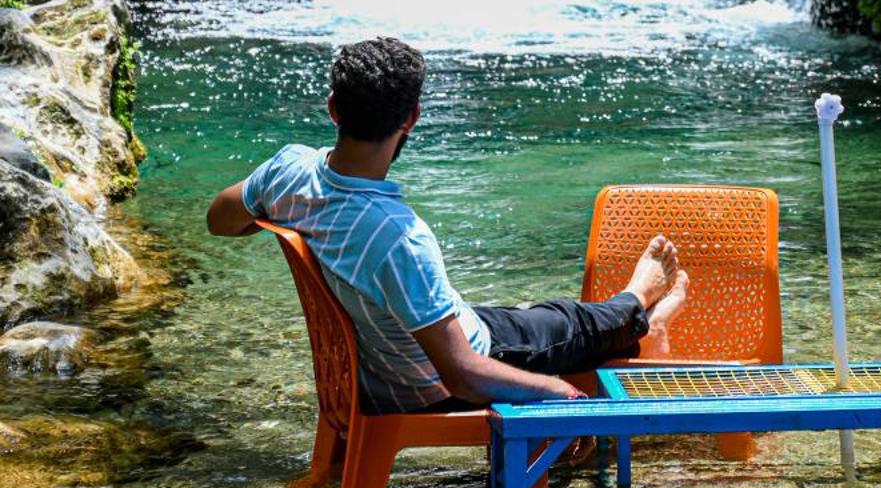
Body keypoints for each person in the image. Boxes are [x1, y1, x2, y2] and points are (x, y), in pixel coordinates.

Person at [206, 34, 688, 409]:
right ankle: (641, 306)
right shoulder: (398, 239)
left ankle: (638, 323)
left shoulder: (287, 171)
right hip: (431, 384)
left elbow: (220, 219)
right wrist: (561, 394)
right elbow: (465, 375)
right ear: (411, 117)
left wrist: (293, 214)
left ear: (333, 108)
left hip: (385, 367)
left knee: (533, 316)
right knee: (576, 324)